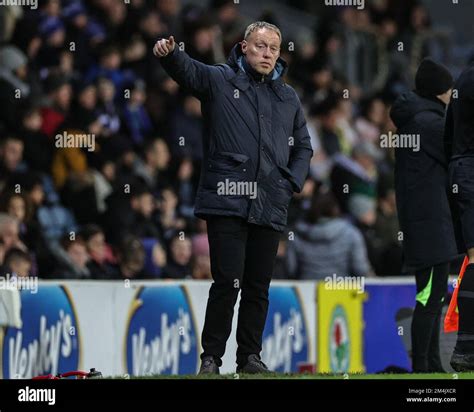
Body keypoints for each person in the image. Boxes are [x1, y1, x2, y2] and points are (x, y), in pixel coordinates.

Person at [153, 21, 312, 374]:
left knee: (258, 286)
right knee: (227, 282)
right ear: (243, 47)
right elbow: (189, 71)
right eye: (260, 46)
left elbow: (303, 146)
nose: (268, 53)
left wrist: (290, 183)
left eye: (273, 48)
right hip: (226, 201)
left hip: (270, 202)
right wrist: (170, 54)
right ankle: (211, 358)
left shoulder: (288, 97)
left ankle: (249, 358)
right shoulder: (220, 80)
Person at [390, 58, 457, 372]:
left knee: (432, 296)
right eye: (449, 89)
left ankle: (431, 363)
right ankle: (423, 367)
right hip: (430, 224)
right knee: (429, 298)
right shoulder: (430, 123)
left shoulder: (417, 119)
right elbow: (459, 154)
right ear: (439, 91)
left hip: (426, 222)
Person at [445, 60, 474, 371]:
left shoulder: (462, 79)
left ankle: (467, 347)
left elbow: (447, 134)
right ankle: (465, 348)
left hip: (461, 170)